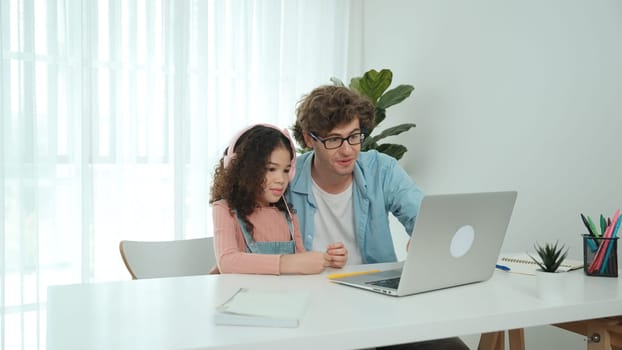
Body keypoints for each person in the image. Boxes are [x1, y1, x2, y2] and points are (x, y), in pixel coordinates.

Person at [288, 86, 469, 350]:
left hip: (377, 301)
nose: (347, 150)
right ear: (309, 139)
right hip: (311, 305)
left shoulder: (380, 169)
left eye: (354, 136)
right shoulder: (287, 179)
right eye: (334, 140)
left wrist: (424, 239)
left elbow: (426, 219)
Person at [210, 123, 347, 275]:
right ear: (245, 169)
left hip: (285, 296)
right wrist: (288, 263)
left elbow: (301, 262)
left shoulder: (288, 213)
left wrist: (327, 260)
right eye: (271, 169)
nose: (281, 179)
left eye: (286, 170)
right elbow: (227, 263)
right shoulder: (224, 210)